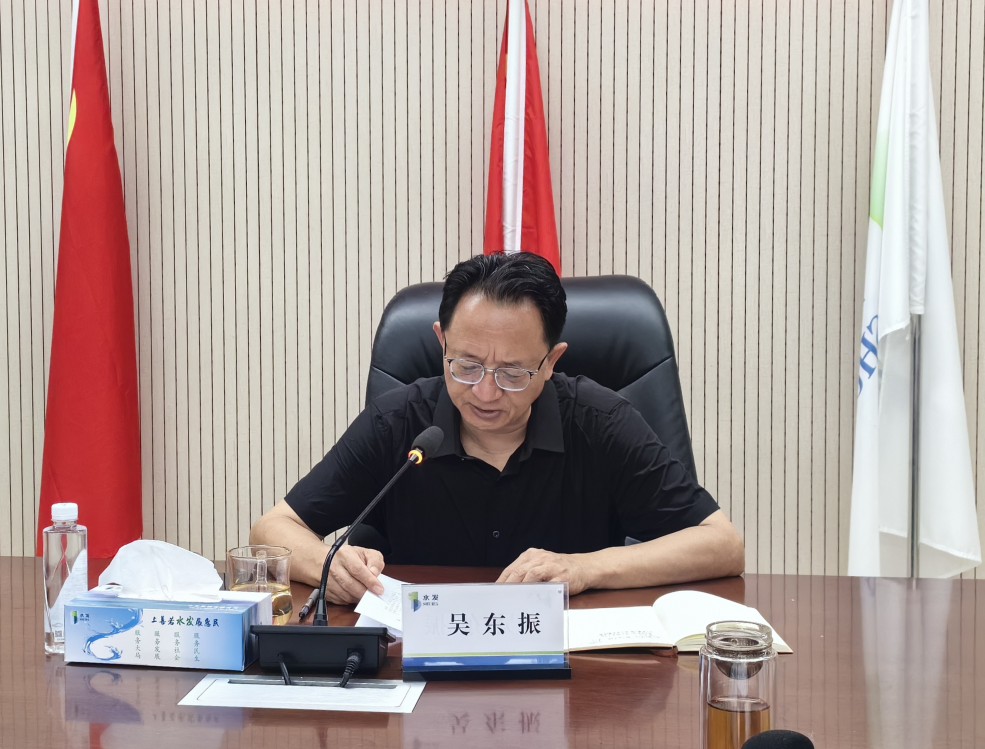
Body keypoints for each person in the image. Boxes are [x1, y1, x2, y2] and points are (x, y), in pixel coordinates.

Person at [250, 252, 744, 603]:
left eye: (512, 373)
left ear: (551, 362)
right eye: (466, 366)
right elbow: (272, 529)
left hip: (573, 669)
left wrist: (585, 567)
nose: (485, 393)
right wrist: (329, 564)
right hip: (422, 662)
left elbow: (722, 544)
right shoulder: (397, 423)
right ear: (441, 341)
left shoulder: (601, 423)